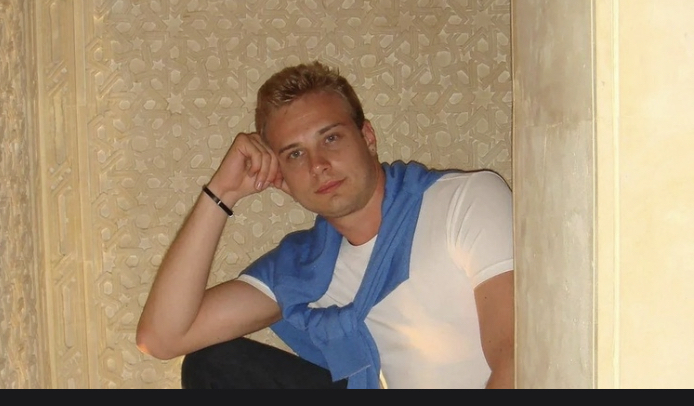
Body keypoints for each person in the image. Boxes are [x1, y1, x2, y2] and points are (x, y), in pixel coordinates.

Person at [135, 60, 514, 389]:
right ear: (280, 173)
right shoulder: (306, 268)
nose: (318, 165)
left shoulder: (463, 200)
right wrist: (222, 192)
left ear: (367, 137)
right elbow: (162, 338)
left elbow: (517, 354)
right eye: (295, 154)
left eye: (331, 138)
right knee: (214, 365)